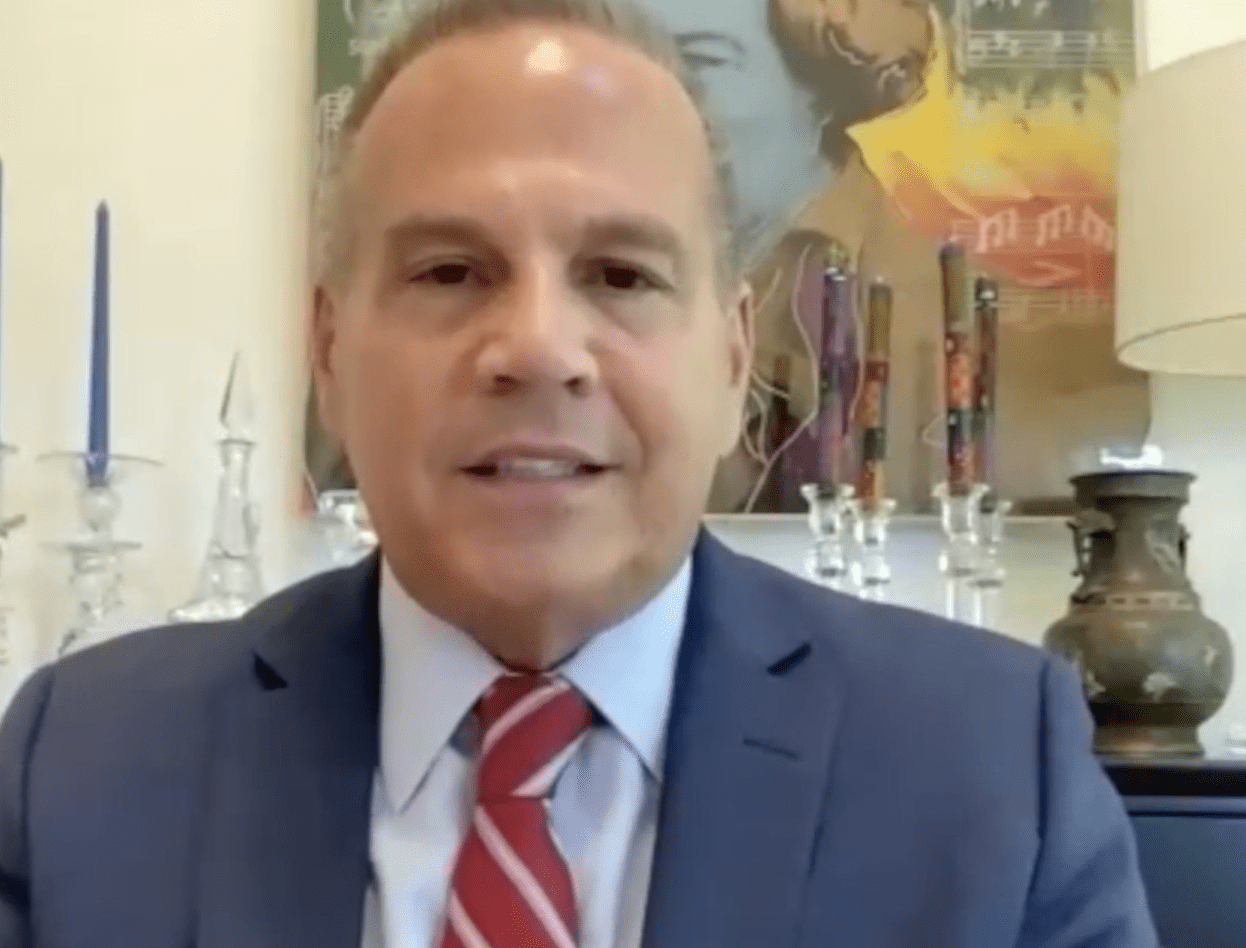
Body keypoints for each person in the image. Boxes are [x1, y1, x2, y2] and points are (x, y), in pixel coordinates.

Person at [0, 1, 1158, 946]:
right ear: (331, 356)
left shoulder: (991, 775)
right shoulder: (81, 766)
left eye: (619, 273)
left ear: (731, 355)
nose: (539, 347)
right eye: (451, 271)